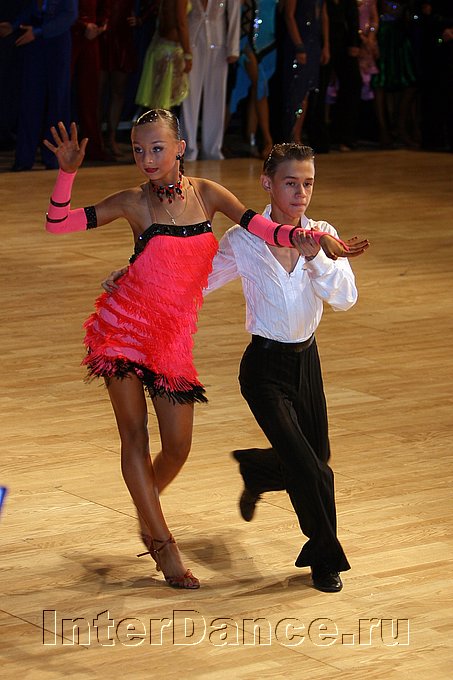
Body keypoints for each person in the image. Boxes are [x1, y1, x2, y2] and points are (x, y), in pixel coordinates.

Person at [43, 109, 365, 591]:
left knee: (179, 448)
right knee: (135, 437)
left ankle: (150, 505)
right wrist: (67, 173)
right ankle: (164, 545)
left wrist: (315, 239)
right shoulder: (132, 201)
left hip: (177, 341)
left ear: (180, 147)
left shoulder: (210, 195)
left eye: (157, 148)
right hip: (125, 328)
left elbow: (257, 235)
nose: (147, 158)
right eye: (139, 149)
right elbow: (57, 224)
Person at [204, 143, 367, 592]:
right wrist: (137, 281)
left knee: (315, 459)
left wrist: (316, 257)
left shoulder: (323, 234)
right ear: (267, 184)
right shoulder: (243, 240)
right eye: (291, 183)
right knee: (313, 471)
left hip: (307, 362)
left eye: (308, 183)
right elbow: (197, 282)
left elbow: (346, 299)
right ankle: (324, 557)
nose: (301, 193)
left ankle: (259, 470)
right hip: (263, 369)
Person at [0, 0, 77, 171]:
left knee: (57, 103)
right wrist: (13, 26)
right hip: (35, 46)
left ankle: (54, 159)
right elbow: (31, 9)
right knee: (30, 102)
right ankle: (24, 159)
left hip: (56, 44)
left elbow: (69, 16)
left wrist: (38, 32)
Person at [181, 0, 241, 160]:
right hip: (192, 42)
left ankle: (213, 149)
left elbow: (234, 13)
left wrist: (233, 48)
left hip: (218, 43)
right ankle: (188, 148)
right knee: (189, 95)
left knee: (216, 96)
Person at [135, 0, 192, 112]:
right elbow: (181, 24)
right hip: (170, 50)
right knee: (164, 104)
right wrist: (188, 54)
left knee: (157, 102)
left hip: (159, 46)